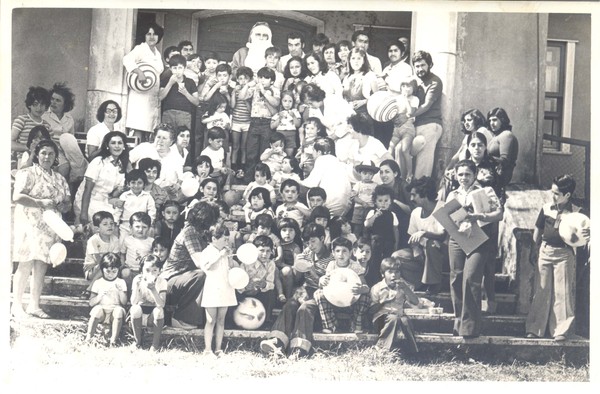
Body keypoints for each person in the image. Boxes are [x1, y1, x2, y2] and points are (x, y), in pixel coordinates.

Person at [11, 139, 72, 319]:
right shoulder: (27, 173)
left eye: (51, 154)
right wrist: (39, 202)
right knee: (25, 262)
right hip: (29, 222)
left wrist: (64, 207)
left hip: (51, 225)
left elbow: (67, 201)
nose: (47, 156)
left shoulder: (59, 178)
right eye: (43, 153)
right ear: (37, 154)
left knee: (42, 264)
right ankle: (17, 305)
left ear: (55, 157)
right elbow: (17, 196)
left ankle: (34, 305)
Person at [526, 175, 588, 341]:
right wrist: (534, 248)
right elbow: (538, 229)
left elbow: (585, 232)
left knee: (563, 292)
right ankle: (535, 328)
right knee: (541, 289)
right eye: (552, 191)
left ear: (567, 195)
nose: (552, 196)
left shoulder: (577, 212)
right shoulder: (546, 208)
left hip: (565, 254)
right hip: (545, 252)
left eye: (556, 193)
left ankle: (561, 330)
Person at [446, 160, 503, 338]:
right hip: (457, 238)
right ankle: (458, 322)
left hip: (478, 239)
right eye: (460, 174)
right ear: (455, 175)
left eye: (467, 174)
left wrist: (478, 215)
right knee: (456, 278)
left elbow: (499, 214)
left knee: (471, 279)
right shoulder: (452, 194)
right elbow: (449, 217)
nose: (463, 178)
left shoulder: (484, 191)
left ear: (475, 174)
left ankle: (470, 328)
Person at [259, 223, 334, 358]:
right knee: (290, 305)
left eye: (313, 241)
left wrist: (312, 270)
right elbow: (298, 277)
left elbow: (328, 286)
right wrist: (297, 267)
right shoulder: (306, 253)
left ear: (322, 238)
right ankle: (276, 342)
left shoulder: (331, 259)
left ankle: (299, 348)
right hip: (305, 290)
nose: (310, 245)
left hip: (321, 294)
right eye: (307, 242)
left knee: (304, 309)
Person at [159, 201, 219, 328]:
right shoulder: (190, 231)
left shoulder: (201, 233)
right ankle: (181, 318)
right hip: (169, 282)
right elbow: (200, 262)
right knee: (201, 275)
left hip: (183, 279)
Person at [314, 237, 371, 334]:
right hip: (334, 301)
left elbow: (366, 288)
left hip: (351, 302)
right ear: (333, 252)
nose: (341, 254)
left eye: (344, 251)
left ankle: (356, 323)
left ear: (350, 252)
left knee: (365, 297)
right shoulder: (331, 265)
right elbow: (325, 286)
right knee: (318, 293)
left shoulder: (355, 266)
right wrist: (321, 280)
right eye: (338, 251)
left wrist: (362, 289)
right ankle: (330, 325)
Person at [199, 222, 239, 356]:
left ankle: (218, 348)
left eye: (228, 239)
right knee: (211, 320)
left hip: (225, 287)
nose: (227, 242)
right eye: (224, 239)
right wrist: (221, 255)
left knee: (221, 320)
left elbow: (231, 266)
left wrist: (229, 256)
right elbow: (207, 267)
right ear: (214, 239)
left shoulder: (225, 252)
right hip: (213, 288)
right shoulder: (207, 251)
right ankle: (207, 349)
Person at [122, 22, 165, 142]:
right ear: (144, 36)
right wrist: (139, 72)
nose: (152, 37)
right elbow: (127, 59)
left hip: (152, 96)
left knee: (150, 129)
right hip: (140, 96)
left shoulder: (157, 53)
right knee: (139, 128)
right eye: (148, 34)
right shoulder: (140, 48)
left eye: (155, 34)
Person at [76, 131, 130, 226]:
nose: (117, 146)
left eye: (120, 143)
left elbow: (114, 193)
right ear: (107, 146)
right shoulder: (98, 162)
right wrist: (83, 213)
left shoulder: (122, 165)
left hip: (106, 201)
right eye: (113, 143)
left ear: (124, 146)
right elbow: (87, 189)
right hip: (89, 201)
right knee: (104, 223)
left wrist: (121, 190)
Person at [369, 257, 420, 353]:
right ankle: (381, 348)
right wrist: (383, 302)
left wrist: (406, 289)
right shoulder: (377, 288)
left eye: (397, 272)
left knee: (405, 320)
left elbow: (416, 302)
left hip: (398, 320)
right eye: (390, 272)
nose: (394, 275)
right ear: (383, 274)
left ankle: (413, 350)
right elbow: (371, 311)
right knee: (393, 318)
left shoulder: (403, 286)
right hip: (380, 321)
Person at [407, 176, 446, 295]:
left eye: (414, 195)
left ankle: (434, 283)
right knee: (397, 256)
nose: (411, 198)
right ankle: (419, 283)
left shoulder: (442, 207)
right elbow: (411, 237)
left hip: (442, 253)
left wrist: (424, 233)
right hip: (423, 254)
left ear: (424, 194)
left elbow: (442, 236)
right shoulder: (415, 212)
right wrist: (415, 248)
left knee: (431, 244)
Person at [42, 82, 87, 184]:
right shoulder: (44, 116)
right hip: (53, 148)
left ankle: (79, 168)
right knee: (65, 167)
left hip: (67, 150)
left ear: (65, 104)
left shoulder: (69, 118)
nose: (53, 102)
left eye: (58, 100)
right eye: (52, 99)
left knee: (67, 139)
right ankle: (59, 190)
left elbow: (71, 139)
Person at [300, 137, 352, 217]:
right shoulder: (340, 163)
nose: (312, 154)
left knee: (298, 188)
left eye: (313, 151)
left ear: (319, 152)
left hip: (328, 205)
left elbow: (310, 183)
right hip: (344, 208)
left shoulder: (322, 159)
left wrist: (295, 180)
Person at [412, 50, 444, 179]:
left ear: (430, 65)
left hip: (430, 125)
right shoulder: (415, 82)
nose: (420, 69)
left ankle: (420, 194)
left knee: (424, 163)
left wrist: (408, 116)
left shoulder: (435, 81)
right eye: (417, 66)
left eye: (423, 65)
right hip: (416, 125)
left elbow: (426, 105)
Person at [244, 66, 281, 178]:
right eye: (260, 77)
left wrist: (264, 92)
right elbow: (242, 96)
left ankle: (263, 176)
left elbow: (275, 103)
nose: (262, 80)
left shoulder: (275, 90)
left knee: (264, 150)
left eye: (266, 78)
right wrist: (248, 85)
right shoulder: (255, 88)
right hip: (254, 121)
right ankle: (249, 177)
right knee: (251, 151)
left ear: (272, 81)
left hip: (267, 122)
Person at [85, 252, 127, 345]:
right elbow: (91, 303)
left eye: (114, 271)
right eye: (107, 271)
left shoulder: (121, 282)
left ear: (118, 270)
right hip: (102, 312)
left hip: (115, 312)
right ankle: (89, 338)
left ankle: (113, 340)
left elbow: (124, 302)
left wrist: (120, 292)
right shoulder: (98, 282)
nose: (111, 274)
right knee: (96, 310)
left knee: (119, 310)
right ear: (102, 269)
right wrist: (99, 296)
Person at [238, 235, 280, 325]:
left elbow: (271, 284)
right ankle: (234, 320)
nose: (265, 254)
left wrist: (264, 284)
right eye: (261, 250)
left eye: (268, 251)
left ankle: (266, 320)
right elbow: (238, 284)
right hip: (245, 293)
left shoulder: (271, 264)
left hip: (260, 293)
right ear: (254, 250)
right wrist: (246, 287)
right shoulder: (246, 262)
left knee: (271, 293)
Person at [130, 254, 167, 350]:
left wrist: (153, 289)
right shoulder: (137, 280)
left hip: (153, 317)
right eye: (147, 270)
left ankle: (155, 345)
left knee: (159, 310)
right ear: (141, 270)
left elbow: (161, 304)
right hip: (139, 316)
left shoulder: (162, 281)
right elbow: (133, 302)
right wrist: (137, 287)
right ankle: (137, 342)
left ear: (159, 271)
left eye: (154, 270)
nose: (151, 273)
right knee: (135, 309)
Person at [11, 86, 51, 169]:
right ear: (29, 105)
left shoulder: (47, 126)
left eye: (42, 104)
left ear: (46, 106)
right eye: (35, 104)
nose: (39, 108)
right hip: (24, 160)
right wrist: (28, 147)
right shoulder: (21, 120)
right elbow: (9, 143)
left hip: (42, 160)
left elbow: (50, 145)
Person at [82, 211, 120, 298]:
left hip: (108, 267)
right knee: (103, 266)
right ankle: (89, 289)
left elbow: (115, 257)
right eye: (105, 224)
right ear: (97, 228)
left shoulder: (115, 239)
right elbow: (97, 259)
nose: (110, 226)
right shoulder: (93, 240)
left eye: (111, 223)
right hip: (92, 269)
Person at [388, 77, 419, 182]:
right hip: (396, 128)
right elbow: (391, 113)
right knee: (390, 148)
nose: (406, 88)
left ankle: (409, 174)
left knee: (405, 149)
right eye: (404, 86)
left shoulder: (414, 99)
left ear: (413, 88)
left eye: (409, 86)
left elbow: (410, 113)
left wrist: (406, 99)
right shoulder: (396, 98)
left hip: (407, 127)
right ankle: (391, 172)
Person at [159, 54, 199, 130]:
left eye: (180, 68)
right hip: (168, 113)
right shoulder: (166, 80)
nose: (177, 71)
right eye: (174, 68)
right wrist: (170, 83)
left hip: (185, 114)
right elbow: (160, 97)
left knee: (182, 136)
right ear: (170, 69)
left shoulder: (190, 82)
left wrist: (185, 93)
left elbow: (196, 102)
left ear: (184, 68)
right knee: (167, 135)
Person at [378, 159, 413, 248]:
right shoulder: (380, 188)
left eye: (387, 172)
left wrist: (396, 202)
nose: (383, 175)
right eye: (381, 172)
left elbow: (412, 210)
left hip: (404, 224)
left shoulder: (403, 186)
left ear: (395, 173)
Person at [364, 185, 401, 267]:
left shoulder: (392, 214)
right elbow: (367, 224)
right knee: (374, 261)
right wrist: (375, 216)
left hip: (388, 242)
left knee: (387, 262)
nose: (383, 203)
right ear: (375, 202)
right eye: (380, 201)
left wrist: (396, 244)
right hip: (375, 243)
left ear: (390, 201)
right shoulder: (372, 213)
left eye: (386, 200)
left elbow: (395, 230)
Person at [114, 169, 156, 240]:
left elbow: (152, 213)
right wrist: (115, 225)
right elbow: (118, 211)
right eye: (133, 183)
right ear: (128, 183)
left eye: (139, 183)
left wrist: (148, 225)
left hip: (141, 226)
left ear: (144, 184)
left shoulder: (148, 197)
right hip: (125, 226)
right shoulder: (124, 196)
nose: (136, 186)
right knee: (122, 245)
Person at [486, 107, 519, 189]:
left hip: (500, 177)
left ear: (502, 120)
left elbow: (504, 160)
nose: (491, 123)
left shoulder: (506, 135)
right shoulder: (497, 136)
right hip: (492, 173)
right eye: (490, 120)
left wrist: (484, 157)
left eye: (495, 120)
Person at [120, 212, 154, 289]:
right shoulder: (127, 240)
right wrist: (123, 266)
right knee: (125, 274)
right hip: (130, 269)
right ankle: (128, 295)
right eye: (137, 226)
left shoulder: (151, 241)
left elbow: (153, 257)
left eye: (144, 227)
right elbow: (122, 254)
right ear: (131, 227)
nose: (140, 230)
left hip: (145, 270)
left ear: (149, 228)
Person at [230, 66, 254, 177]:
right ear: (237, 79)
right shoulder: (235, 91)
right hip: (236, 122)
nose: (243, 81)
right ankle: (233, 167)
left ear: (249, 80)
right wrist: (234, 93)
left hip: (246, 123)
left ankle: (243, 167)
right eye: (240, 78)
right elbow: (232, 105)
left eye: (245, 79)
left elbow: (251, 111)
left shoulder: (250, 92)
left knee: (244, 146)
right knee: (235, 146)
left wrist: (245, 99)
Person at [342, 48, 378, 115]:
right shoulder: (346, 78)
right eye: (353, 58)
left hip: (364, 114)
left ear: (363, 61)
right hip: (348, 113)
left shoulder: (370, 75)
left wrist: (364, 101)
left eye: (359, 58)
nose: (356, 61)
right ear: (349, 60)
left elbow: (377, 97)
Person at [276, 218, 304, 300]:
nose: (287, 233)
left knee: (286, 270)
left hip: (290, 276)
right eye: (284, 230)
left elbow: (297, 269)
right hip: (275, 274)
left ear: (296, 233)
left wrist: (282, 264)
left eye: (291, 230)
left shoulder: (295, 248)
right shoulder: (276, 244)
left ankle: (288, 298)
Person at [350, 160, 379, 236]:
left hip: (370, 209)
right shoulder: (358, 184)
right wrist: (362, 202)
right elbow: (353, 197)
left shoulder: (376, 185)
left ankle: (365, 243)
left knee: (367, 228)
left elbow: (377, 197)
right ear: (360, 173)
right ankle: (355, 242)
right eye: (365, 173)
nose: (367, 176)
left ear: (373, 175)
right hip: (359, 209)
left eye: (370, 174)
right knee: (357, 228)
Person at [271, 91, 301, 157]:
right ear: (281, 101)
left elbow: (298, 124)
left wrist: (293, 116)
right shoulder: (278, 113)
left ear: (293, 102)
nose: (287, 103)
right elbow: (272, 126)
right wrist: (279, 118)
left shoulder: (295, 112)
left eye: (290, 101)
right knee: (278, 154)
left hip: (291, 134)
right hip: (280, 134)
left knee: (289, 155)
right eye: (285, 101)